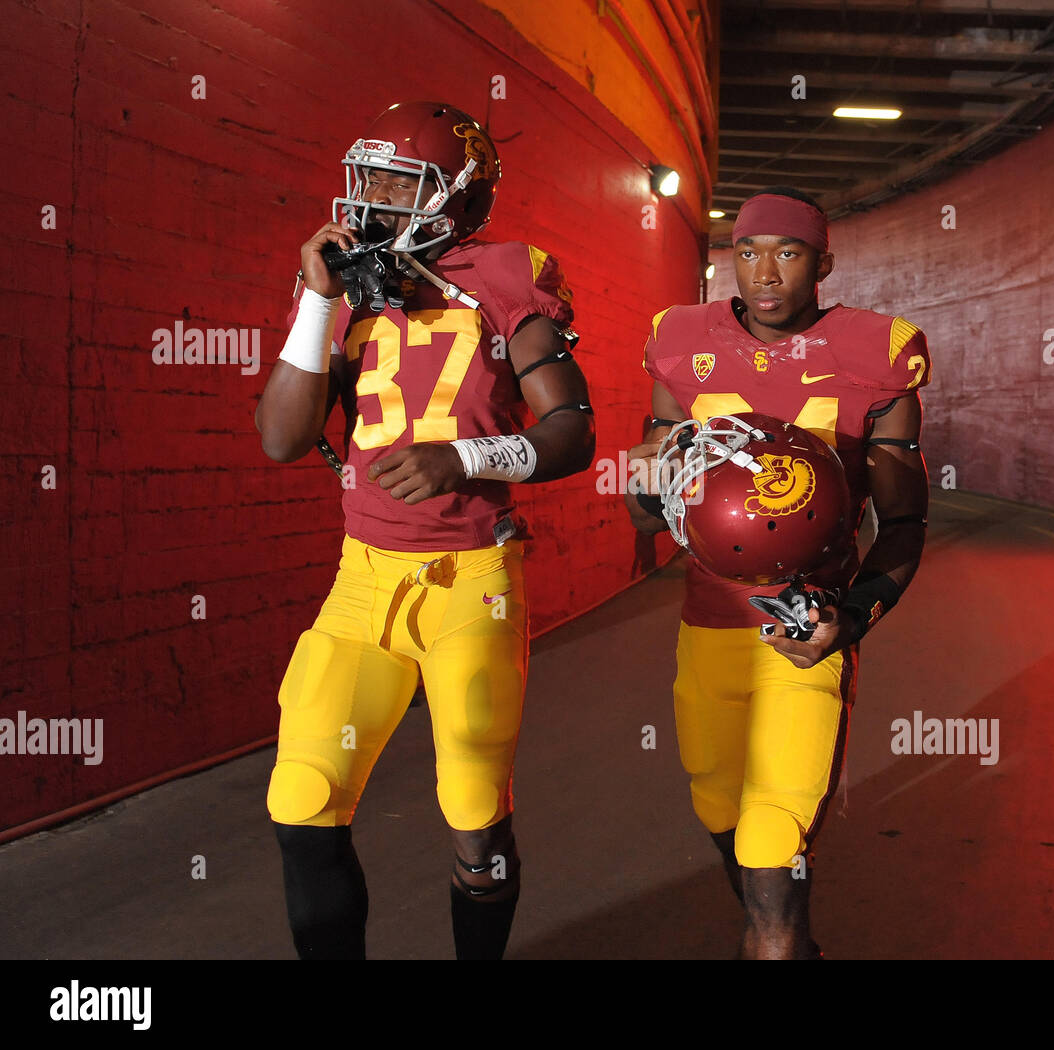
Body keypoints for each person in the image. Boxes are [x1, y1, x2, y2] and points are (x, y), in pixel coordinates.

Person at [255, 101, 594, 960]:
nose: (371, 201)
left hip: (470, 580)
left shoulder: (508, 274)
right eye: (366, 179)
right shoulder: (347, 282)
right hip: (361, 582)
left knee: (474, 811)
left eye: (398, 184)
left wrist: (468, 456)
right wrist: (318, 306)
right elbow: (282, 438)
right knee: (300, 796)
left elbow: (571, 433)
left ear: (459, 198)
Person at [622, 186, 931, 959]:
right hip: (707, 625)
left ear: (823, 264)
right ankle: (786, 934)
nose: (765, 274)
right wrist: (640, 485)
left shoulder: (877, 354)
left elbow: (904, 523)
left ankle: (776, 933)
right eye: (748, 253)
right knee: (721, 813)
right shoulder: (680, 339)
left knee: (771, 840)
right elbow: (646, 515)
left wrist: (852, 619)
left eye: (788, 255)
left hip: (805, 629)